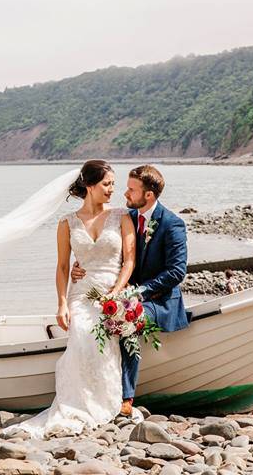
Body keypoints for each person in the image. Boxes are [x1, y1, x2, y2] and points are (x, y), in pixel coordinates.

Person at [7, 160, 138, 439]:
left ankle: (110, 401)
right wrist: (62, 303)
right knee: (81, 335)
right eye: (107, 184)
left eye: (113, 184)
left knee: (104, 338)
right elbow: (63, 267)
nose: (111, 189)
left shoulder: (122, 216)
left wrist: (116, 291)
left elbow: (129, 261)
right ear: (90, 186)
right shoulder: (67, 223)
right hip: (81, 294)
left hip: (112, 293)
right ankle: (78, 404)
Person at [71, 164, 188, 417]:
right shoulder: (126, 218)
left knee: (126, 320)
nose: (125, 193)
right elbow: (102, 250)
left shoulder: (172, 224)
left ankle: (126, 397)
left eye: (131, 190)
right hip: (122, 295)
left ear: (148, 195)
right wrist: (78, 267)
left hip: (160, 301)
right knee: (110, 317)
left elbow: (177, 272)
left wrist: (138, 293)